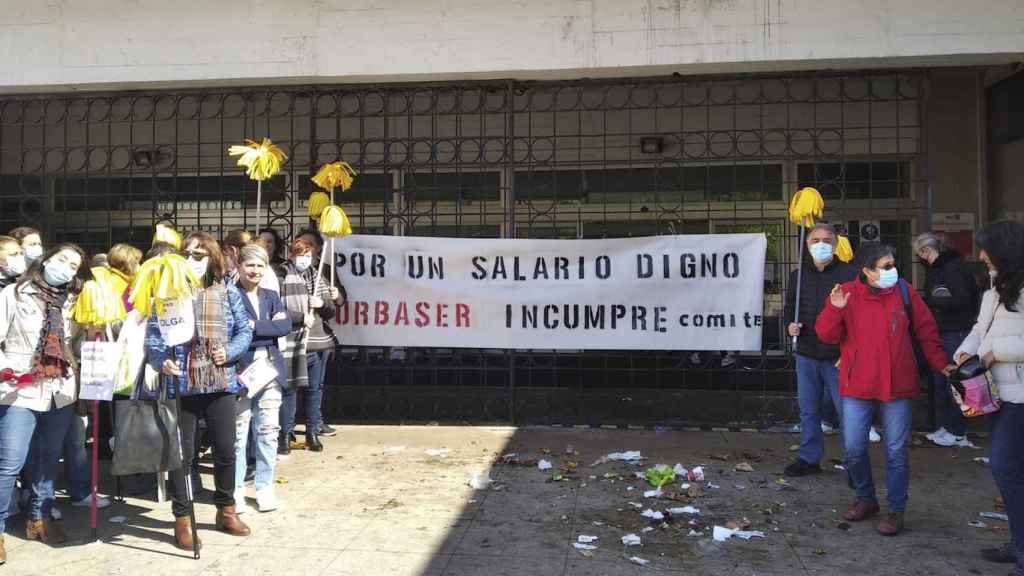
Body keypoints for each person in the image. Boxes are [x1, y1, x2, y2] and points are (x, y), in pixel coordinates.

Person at [815, 243, 952, 536]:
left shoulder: (904, 291)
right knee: (853, 448)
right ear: (866, 271)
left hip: (897, 384)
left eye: (893, 264)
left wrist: (941, 363)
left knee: (896, 451)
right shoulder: (846, 294)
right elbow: (826, 335)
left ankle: (896, 510)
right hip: (857, 384)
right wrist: (835, 309)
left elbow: (926, 330)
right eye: (886, 266)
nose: (893, 271)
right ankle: (865, 497)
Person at [143, 231, 253, 550]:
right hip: (182, 383)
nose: (193, 260)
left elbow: (244, 330)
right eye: (188, 254)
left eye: (200, 255)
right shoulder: (167, 294)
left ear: (213, 258)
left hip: (220, 381)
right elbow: (154, 337)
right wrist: (161, 361)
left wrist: (230, 351)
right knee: (183, 455)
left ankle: (226, 508)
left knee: (225, 449)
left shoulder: (227, 289)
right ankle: (183, 519)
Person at [0, 244, 89, 561]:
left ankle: (39, 518)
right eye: (62, 259)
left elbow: (77, 343)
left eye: (74, 265)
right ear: (46, 259)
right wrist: (5, 369)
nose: (66, 267)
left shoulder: (75, 302)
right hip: (18, 389)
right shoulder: (14, 294)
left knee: (48, 461)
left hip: (60, 390)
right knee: (9, 461)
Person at [953, 221, 1024, 569]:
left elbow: (1003, 343)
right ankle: (1017, 541)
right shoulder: (995, 288)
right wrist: (965, 354)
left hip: (1021, 396)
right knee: (1008, 470)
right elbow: (981, 329)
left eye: (987, 248)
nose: (981, 255)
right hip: (998, 393)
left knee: (1006, 466)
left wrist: (998, 352)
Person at [783, 223, 856, 476]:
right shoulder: (798, 275)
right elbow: (789, 307)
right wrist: (789, 326)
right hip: (806, 352)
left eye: (826, 240)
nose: (821, 244)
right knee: (809, 410)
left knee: (847, 411)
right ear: (807, 244)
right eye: (815, 240)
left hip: (838, 356)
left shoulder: (850, 274)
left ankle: (854, 460)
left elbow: (857, 317)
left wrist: (850, 350)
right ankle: (809, 458)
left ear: (835, 244)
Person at [233, 244, 290, 513]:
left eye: (260, 265)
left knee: (268, 432)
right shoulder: (229, 295)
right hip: (240, 372)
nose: (254, 270)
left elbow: (285, 326)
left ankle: (264, 486)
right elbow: (234, 330)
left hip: (269, 370)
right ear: (239, 266)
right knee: (238, 433)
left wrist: (255, 326)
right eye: (250, 265)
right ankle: (235, 490)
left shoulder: (270, 296)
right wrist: (266, 327)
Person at [913, 232, 980, 447]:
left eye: (918, 254)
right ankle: (948, 427)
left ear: (926, 251)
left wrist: (931, 302)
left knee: (954, 382)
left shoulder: (951, 268)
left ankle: (957, 431)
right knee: (942, 383)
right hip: (944, 330)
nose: (919, 259)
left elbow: (962, 299)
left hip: (955, 331)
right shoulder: (942, 268)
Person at [277, 237, 336, 454]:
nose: (304, 259)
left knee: (314, 389)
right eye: (300, 254)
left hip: (318, 342)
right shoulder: (281, 274)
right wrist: (300, 317)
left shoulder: (316, 275)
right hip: (293, 341)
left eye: (308, 256)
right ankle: (286, 433)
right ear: (291, 255)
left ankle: (312, 432)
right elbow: (276, 309)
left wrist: (322, 304)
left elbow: (331, 311)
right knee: (289, 389)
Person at [295, 229, 342, 438]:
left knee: (316, 385)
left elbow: (338, 304)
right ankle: (287, 428)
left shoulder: (326, 271)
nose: (306, 250)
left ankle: (315, 424)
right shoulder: (286, 273)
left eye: (310, 246)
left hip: (319, 336)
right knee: (292, 386)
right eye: (301, 245)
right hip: (296, 337)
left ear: (318, 249)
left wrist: (334, 296)